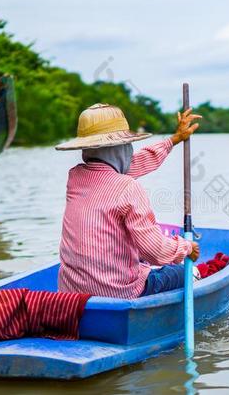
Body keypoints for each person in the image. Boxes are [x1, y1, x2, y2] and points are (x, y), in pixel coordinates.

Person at [55, 103, 202, 299]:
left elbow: (131, 165)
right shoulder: (128, 187)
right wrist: (185, 247)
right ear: (121, 149)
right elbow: (155, 252)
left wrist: (173, 140)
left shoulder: (75, 178)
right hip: (119, 293)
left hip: (71, 295)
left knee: (140, 258)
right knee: (185, 273)